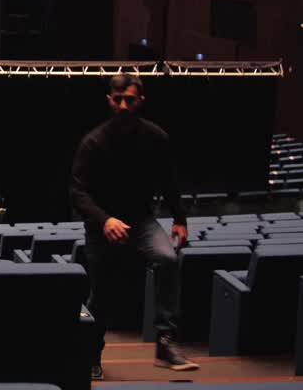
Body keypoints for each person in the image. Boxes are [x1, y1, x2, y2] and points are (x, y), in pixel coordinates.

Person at [71, 73, 199, 379]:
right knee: (100, 295)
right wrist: (105, 220)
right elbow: (78, 192)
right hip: (102, 226)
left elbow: (169, 182)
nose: (124, 106)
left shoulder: (157, 138)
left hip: (141, 220)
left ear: (141, 101)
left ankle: (165, 342)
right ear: (109, 101)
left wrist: (180, 219)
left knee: (168, 258)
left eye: (130, 99)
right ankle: (92, 355)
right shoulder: (93, 142)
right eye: (118, 100)